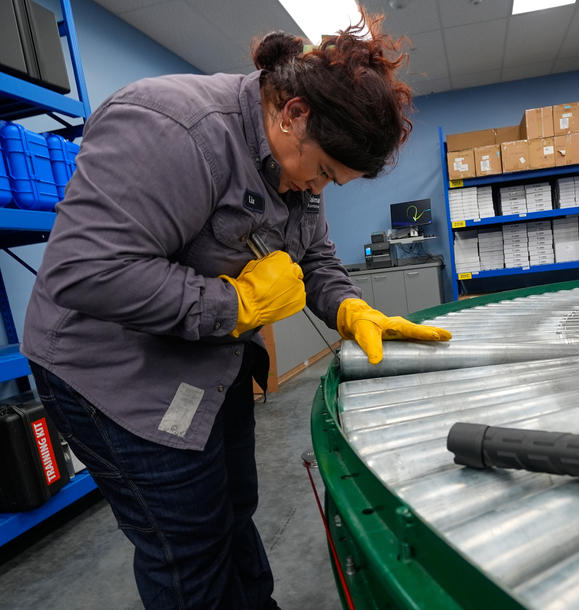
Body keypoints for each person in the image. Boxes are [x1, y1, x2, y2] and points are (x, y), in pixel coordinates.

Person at [21, 8, 449, 609]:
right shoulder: (173, 127)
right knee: (188, 544)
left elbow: (314, 257)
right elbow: (86, 271)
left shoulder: (297, 163)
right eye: (323, 173)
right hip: (112, 373)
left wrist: (351, 309)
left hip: (208, 361)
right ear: (294, 113)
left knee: (234, 510)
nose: (317, 189)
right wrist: (238, 303)